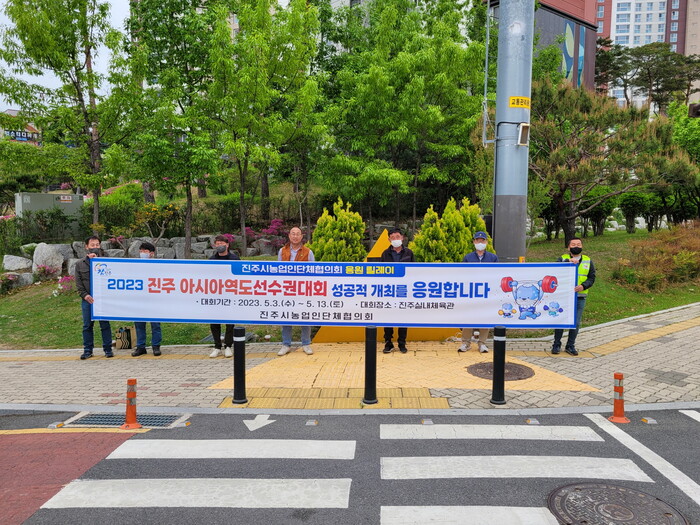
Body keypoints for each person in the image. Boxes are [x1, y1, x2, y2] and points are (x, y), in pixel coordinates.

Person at [551, 237, 596, 356]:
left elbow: (592, 278)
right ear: (568, 247)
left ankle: (570, 345)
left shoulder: (588, 261)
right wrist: (567, 262)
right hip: (564, 296)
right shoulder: (562, 258)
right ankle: (556, 344)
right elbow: (554, 270)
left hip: (580, 296)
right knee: (560, 320)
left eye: (579, 244)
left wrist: (583, 286)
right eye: (573, 244)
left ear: (582, 246)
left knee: (575, 322)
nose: (576, 246)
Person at [277, 227, 315, 356]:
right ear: (289, 236)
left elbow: (313, 271)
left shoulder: (308, 252)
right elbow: (278, 270)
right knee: (286, 316)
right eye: (293, 234)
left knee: (305, 316)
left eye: (298, 234)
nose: (295, 236)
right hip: (287, 289)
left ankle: (306, 343)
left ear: (301, 236)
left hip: (303, 290)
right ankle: (286, 344)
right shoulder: (282, 251)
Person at [459, 231, 498, 353]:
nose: (480, 243)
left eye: (482, 240)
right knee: (468, 317)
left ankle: (482, 343)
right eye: (478, 240)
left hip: (486, 293)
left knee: (485, 317)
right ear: (474, 242)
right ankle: (466, 343)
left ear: (486, 242)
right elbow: (462, 274)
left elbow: (497, 274)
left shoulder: (493, 258)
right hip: (471, 293)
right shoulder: (468, 257)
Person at [75, 236, 113, 360]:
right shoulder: (80, 264)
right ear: (87, 247)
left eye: (97, 245)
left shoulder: (106, 262)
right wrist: (85, 295)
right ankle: (87, 350)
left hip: (102, 300)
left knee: (105, 325)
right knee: (87, 326)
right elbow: (79, 284)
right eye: (92, 245)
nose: (95, 247)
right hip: (88, 300)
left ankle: (108, 349)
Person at [381, 228, 415, 353]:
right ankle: (388, 343)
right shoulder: (385, 254)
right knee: (387, 318)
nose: (395, 239)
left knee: (403, 317)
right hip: (389, 291)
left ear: (402, 238)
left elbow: (415, 271)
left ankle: (402, 343)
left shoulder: (409, 253)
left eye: (397, 237)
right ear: (389, 239)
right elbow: (381, 271)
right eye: (393, 237)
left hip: (404, 291)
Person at [209, 235, 240, 358]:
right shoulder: (212, 260)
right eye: (217, 243)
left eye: (221, 243)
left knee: (230, 322)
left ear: (227, 245)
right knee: (214, 322)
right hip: (215, 294)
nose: (219, 245)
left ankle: (228, 346)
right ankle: (217, 346)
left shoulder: (234, 259)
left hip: (230, 294)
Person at [132, 242, 163, 357]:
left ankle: (156, 346)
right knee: (139, 324)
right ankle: (141, 347)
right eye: (141, 251)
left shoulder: (159, 266)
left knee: (155, 324)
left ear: (151, 253)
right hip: (139, 299)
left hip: (154, 299)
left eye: (145, 251)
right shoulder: (135, 266)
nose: (142, 253)